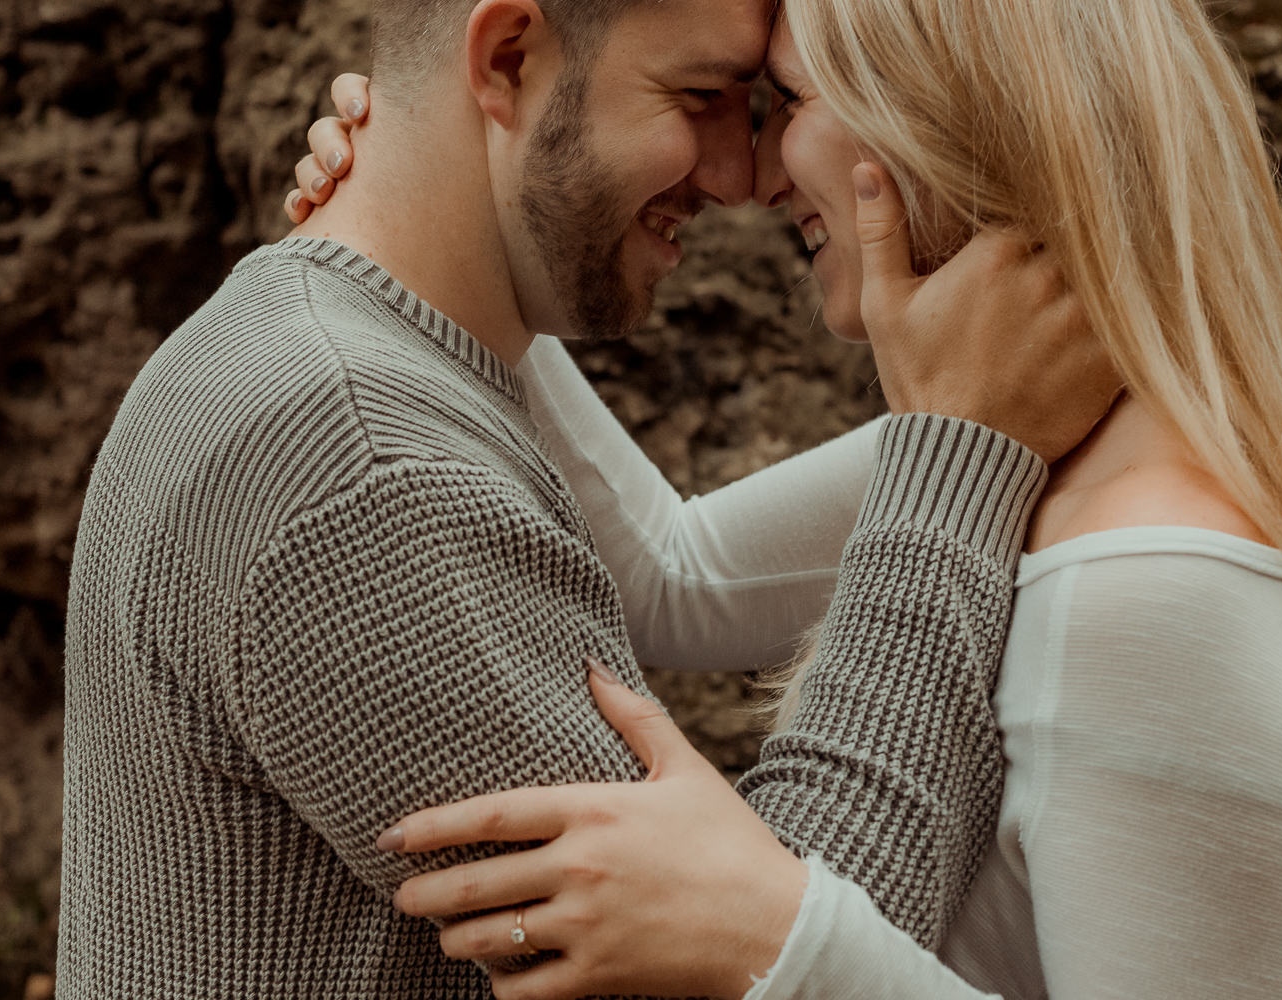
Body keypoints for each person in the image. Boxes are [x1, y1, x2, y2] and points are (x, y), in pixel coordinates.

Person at [297, 0, 1282, 998]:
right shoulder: (1033, 445)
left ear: (954, 119)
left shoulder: (1162, 590)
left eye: (791, 104)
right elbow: (675, 574)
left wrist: (778, 932)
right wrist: (437, 221)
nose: (756, 177)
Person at [57, 0, 1115, 998]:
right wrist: (966, 447)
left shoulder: (335, 361)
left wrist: (413, 181)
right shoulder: (364, 463)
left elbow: (679, 578)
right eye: (702, 97)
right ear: (509, 55)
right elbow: (773, 956)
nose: (741, 173)